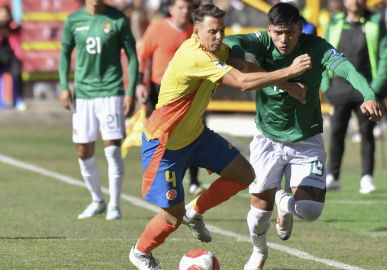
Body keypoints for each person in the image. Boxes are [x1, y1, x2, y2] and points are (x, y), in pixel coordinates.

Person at [128, 4, 314, 270]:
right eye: (212, 32)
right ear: (196, 31)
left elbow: (240, 65)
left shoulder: (214, 50)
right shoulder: (194, 56)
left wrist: (285, 85)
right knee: (171, 219)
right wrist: (289, 73)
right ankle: (140, 252)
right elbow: (241, 82)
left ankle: (195, 211)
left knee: (244, 174)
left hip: (195, 136)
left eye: (222, 31)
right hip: (165, 144)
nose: (218, 37)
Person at [223, 2, 384, 269]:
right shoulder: (262, 42)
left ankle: (283, 204)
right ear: (268, 30)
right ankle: (259, 251)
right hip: (268, 138)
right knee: (258, 215)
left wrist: (368, 95)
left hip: (307, 139)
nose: (283, 39)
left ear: (300, 28)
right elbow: (231, 40)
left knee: (310, 210)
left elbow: (346, 68)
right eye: (277, 32)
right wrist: (240, 57)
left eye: (289, 32)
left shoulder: (315, 46)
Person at [58, 0, 138, 220]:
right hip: (83, 95)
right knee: (83, 151)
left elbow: (132, 57)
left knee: (112, 149)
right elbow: (64, 55)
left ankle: (114, 205)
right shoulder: (73, 20)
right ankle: (97, 200)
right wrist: (65, 86)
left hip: (111, 92)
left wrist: (129, 91)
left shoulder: (118, 19)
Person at [321, 0, 387, 194]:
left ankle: (366, 178)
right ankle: (333, 176)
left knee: (367, 133)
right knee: (336, 133)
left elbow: (386, 56)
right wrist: (326, 87)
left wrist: (373, 89)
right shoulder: (334, 21)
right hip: (338, 87)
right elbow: (321, 52)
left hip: (366, 88)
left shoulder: (375, 22)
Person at [136, 0, 205, 196]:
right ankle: (157, 180)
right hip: (160, 91)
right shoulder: (157, 27)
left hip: (188, 93)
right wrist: (141, 82)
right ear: (171, 9)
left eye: (189, 8)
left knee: (193, 132)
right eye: (181, 7)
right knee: (160, 137)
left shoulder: (195, 31)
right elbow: (142, 55)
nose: (185, 11)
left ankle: (193, 181)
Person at [0, 6, 26, 110]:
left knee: (17, 73)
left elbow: (16, 30)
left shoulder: (13, 26)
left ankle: (20, 99)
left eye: (5, 14)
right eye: (1, 13)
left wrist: (4, 26)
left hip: (12, 56)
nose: (3, 16)